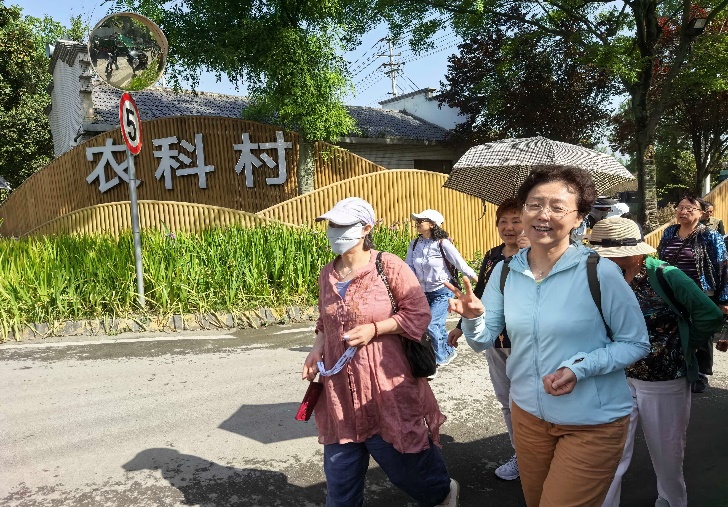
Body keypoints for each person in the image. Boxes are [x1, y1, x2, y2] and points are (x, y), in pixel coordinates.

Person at [447, 165, 650, 507]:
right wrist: (473, 318)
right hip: (528, 416)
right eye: (534, 204)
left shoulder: (599, 272)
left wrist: (579, 368)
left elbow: (635, 343)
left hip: (592, 422)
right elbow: (481, 341)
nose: (543, 214)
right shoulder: (505, 271)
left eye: (557, 207)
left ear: (579, 218)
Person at [302, 197, 459, 507]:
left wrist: (375, 329)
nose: (335, 231)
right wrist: (316, 349)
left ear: (366, 229)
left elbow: (419, 314)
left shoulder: (388, 265)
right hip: (340, 392)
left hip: (385, 386)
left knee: (407, 470)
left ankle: (442, 492)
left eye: (343, 225)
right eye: (332, 225)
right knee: (340, 484)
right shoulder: (327, 274)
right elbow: (325, 321)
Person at [589, 218, 724, 507]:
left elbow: (710, 314)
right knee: (610, 450)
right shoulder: (604, 276)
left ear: (635, 253)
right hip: (618, 375)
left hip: (664, 377)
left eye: (611, 255)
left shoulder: (666, 275)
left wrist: (682, 345)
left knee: (667, 450)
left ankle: (672, 500)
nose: (605, 260)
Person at [447, 197, 529, 481]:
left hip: (525, 342)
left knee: (528, 401)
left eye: (516, 221)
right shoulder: (493, 256)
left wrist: (529, 254)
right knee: (506, 401)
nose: (509, 227)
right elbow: (479, 293)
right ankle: (520, 454)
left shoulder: (537, 256)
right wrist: (462, 325)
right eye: (503, 221)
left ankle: (536, 455)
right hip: (495, 340)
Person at [657, 194, 728, 393]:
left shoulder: (710, 235)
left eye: (690, 208)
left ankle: (700, 373)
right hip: (671, 291)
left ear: (702, 213)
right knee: (674, 330)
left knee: (701, 333)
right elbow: (661, 258)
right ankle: (678, 367)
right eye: (680, 207)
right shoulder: (670, 232)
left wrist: (725, 298)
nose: (683, 211)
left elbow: (724, 267)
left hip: (701, 292)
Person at [405, 209, 476, 373]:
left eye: (421, 221)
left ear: (432, 224)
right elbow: (409, 266)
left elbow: (461, 264)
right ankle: (447, 350)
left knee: (432, 324)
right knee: (432, 325)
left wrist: (481, 283)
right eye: (417, 221)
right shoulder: (414, 244)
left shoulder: (443, 244)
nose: (417, 223)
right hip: (422, 292)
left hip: (442, 291)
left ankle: (441, 357)